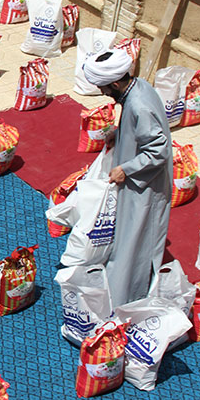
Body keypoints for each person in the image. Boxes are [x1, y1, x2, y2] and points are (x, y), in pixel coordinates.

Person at [82, 48, 172, 307]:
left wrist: (126, 169)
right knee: (126, 237)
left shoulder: (139, 104)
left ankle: (128, 300)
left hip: (146, 184)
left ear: (115, 82)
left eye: (103, 87)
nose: (102, 92)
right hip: (135, 179)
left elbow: (158, 151)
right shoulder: (136, 89)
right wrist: (118, 134)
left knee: (135, 244)